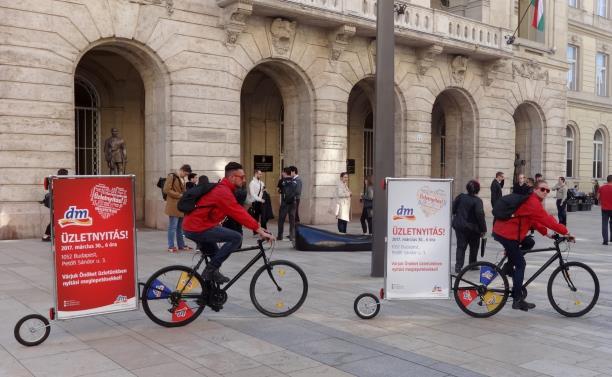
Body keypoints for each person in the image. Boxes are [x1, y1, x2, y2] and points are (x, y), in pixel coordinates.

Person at [183, 162, 274, 283]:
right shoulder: (223, 191)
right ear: (232, 177)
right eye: (241, 177)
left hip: (195, 226)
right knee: (236, 238)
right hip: (198, 227)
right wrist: (259, 230)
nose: (244, 180)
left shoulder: (224, 189)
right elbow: (238, 212)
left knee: (216, 257)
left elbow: (238, 210)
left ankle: (208, 294)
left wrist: (260, 229)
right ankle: (209, 271)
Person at [493, 180, 573, 311]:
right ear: (535, 189)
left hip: (510, 233)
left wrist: (549, 235)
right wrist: (566, 232)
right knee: (521, 264)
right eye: (542, 189)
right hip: (507, 234)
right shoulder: (532, 202)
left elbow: (535, 221)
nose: (545, 192)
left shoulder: (533, 201)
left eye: (547, 190)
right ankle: (517, 299)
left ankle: (508, 266)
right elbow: (547, 220)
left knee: (529, 242)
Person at [452, 180, 487, 273]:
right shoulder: (478, 201)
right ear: (477, 190)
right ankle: (472, 264)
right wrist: (484, 229)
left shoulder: (460, 197)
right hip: (473, 228)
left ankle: (458, 266)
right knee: (474, 246)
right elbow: (480, 215)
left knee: (461, 246)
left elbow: (453, 209)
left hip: (460, 226)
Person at [163, 164, 192, 253]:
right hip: (173, 205)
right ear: (182, 170)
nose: (186, 176)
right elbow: (166, 189)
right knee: (173, 227)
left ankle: (181, 245)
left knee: (180, 227)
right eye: (186, 174)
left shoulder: (182, 178)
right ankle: (171, 246)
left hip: (180, 206)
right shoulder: (172, 176)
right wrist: (179, 195)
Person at [41, 168, 69, 241]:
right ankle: (46, 235)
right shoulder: (58, 182)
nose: (67, 176)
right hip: (59, 204)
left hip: (59, 204)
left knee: (57, 219)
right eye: (66, 174)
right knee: (55, 220)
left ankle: (52, 234)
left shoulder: (54, 181)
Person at [277, 167, 297, 241]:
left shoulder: (281, 181)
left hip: (284, 203)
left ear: (285, 173)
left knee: (281, 219)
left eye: (282, 172)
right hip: (293, 202)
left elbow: (278, 190)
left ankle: (280, 236)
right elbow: (297, 192)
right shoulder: (294, 181)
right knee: (292, 220)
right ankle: (292, 236)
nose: (282, 173)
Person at [597, 175, 612, 245]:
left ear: (607, 180)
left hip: (605, 209)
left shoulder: (601, 188)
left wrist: (601, 201)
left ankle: (605, 241)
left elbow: (597, 197)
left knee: (604, 224)